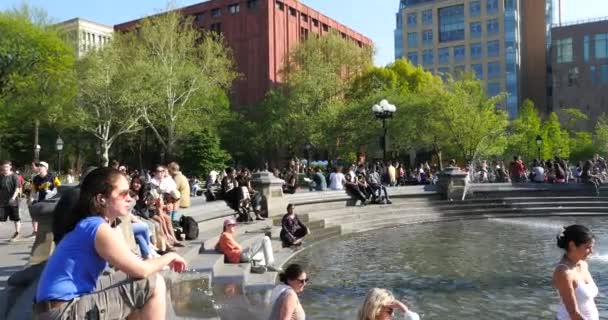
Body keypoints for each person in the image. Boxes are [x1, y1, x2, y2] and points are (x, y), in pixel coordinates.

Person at [33, 167, 187, 320]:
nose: (130, 199)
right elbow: (142, 270)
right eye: (123, 194)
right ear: (101, 199)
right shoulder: (97, 228)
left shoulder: (92, 225)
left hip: (53, 309)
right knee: (154, 283)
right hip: (62, 313)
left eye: (130, 193)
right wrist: (170, 256)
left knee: (131, 282)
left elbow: (132, 266)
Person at [553, 225, 598, 320]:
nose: (591, 251)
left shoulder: (583, 264)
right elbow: (573, 313)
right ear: (572, 245)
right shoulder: (564, 272)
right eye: (588, 247)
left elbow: (589, 300)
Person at [215, 218, 280, 272]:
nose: (233, 226)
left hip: (238, 257)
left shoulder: (224, 235)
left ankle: (256, 267)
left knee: (262, 251)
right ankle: (270, 265)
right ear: (226, 226)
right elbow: (239, 248)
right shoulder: (225, 235)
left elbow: (217, 246)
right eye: (231, 225)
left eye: (234, 225)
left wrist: (224, 250)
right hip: (241, 255)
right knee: (265, 239)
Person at [31, 161, 61, 238]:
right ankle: (36, 232)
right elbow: (34, 190)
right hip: (40, 199)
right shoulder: (36, 178)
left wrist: (53, 192)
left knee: (52, 217)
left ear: (46, 168)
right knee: (36, 215)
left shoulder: (52, 177)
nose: (40, 167)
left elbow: (60, 186)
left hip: (51, 200)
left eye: (42, 166)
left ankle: (54, 232)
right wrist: (32, 198)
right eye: (39, 166)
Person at [0, 161, 21, 241]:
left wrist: (13, 198)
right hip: (2, 201)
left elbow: (17, 188)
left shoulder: (14, 176)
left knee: (16, 218)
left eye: (6, 167)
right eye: (4, 167)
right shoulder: (1, 176)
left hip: (13, 202)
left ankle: (17, 233)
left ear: (10, 167)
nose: (5, 168)